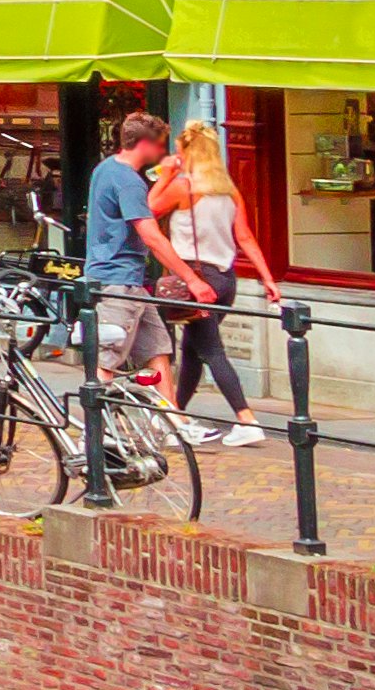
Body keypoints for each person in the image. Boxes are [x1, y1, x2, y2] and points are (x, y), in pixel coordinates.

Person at [156, 118, 265, 446]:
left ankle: (246, 419)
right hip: (226, 278)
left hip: (195, 280)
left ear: (187, 153)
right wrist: (267, 277)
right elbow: (244, 236)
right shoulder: (228, 190)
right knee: (193, 350)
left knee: (211, 350)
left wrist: (165, 176)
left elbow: (146, 211)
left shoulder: (184, 186)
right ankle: (177, 416)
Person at [82, 109, 172, 378]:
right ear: (145, 145)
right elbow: (151, 236)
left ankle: (171, 419)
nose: (162, 151)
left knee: (156, 354)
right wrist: (192, 279)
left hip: (126, 281)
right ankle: (95, 419)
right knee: (106, 361)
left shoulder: (105, 169)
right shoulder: (130, 182)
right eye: (160, 144)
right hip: (118, 282)